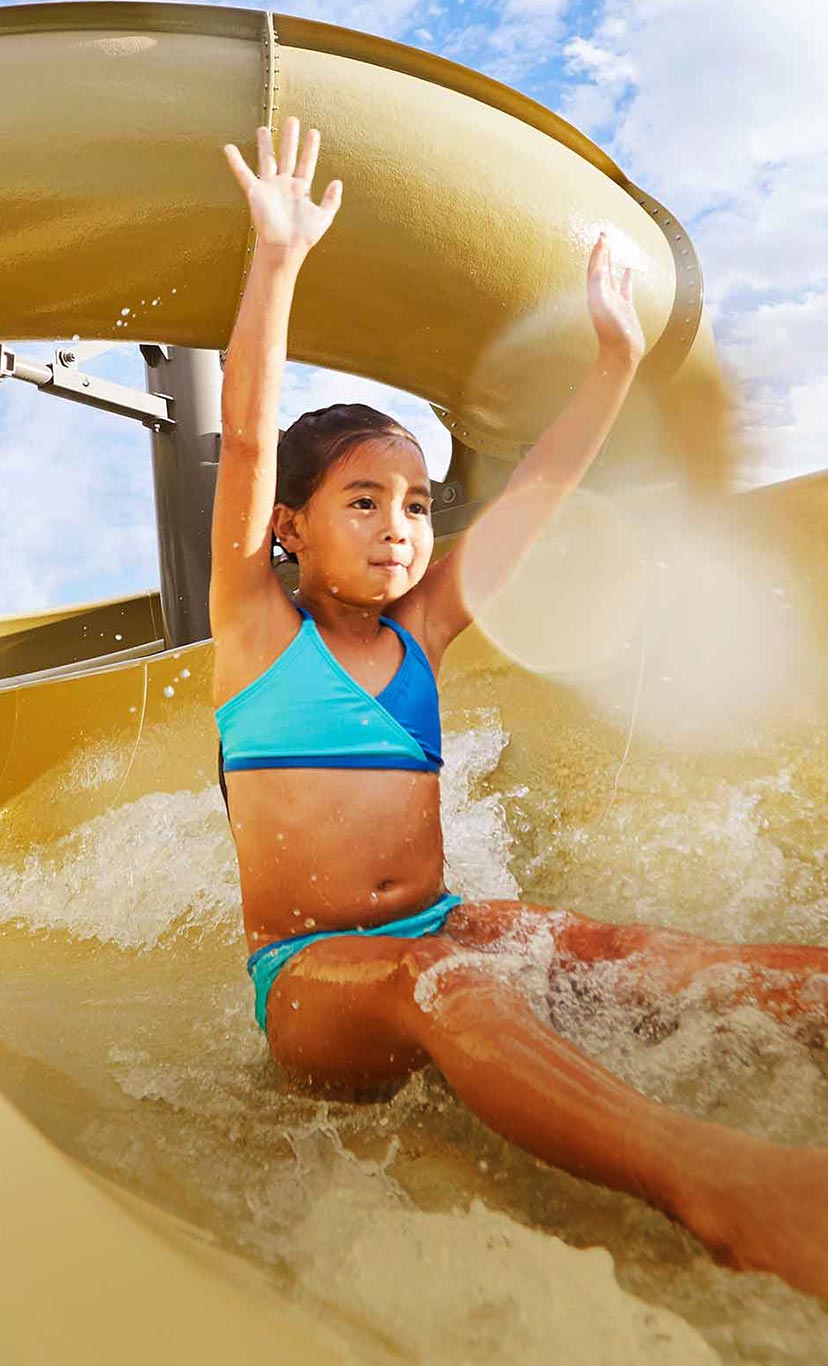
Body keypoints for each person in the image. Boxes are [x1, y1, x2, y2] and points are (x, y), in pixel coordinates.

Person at [212, 118, 828, 1299]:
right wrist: (278, 259)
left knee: (596, 945)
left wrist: (612, 360)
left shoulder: (423, 630)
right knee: (446, 983)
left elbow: (540, 490)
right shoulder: (256, 631)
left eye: (416, 502)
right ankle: (718, 1181)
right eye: (361, 501)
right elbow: (244, 432)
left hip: (437, 915)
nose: (399, 525)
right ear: (289, 524)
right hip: (316, 979)